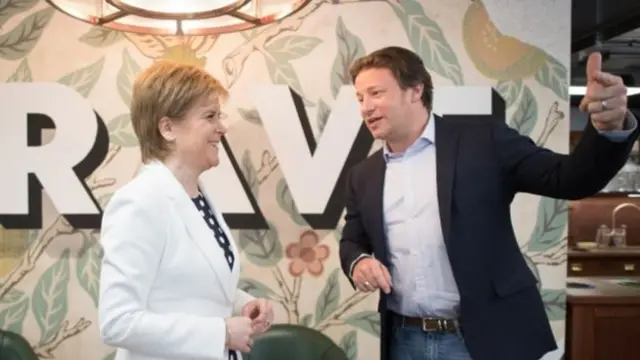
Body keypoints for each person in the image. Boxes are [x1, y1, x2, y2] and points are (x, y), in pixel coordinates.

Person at [338, 46, 638, 360]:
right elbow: (351, 240)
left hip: (484, 339)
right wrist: (358, 261)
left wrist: (608, 130)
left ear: (415, 91)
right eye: (360, 98)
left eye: (376, 93)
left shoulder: (484, 141)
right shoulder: (363, 175)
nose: (366, 107)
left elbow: (570, 179)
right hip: (405, 339)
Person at [98, 60, 273, 360]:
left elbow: (186, 290)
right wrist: (221, 333)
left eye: (220, 115)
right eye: (209, 116)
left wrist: (241, 304)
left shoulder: (198, 197)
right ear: (167, 128)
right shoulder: (139, 202)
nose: (222, 127)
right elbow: (117, 322)